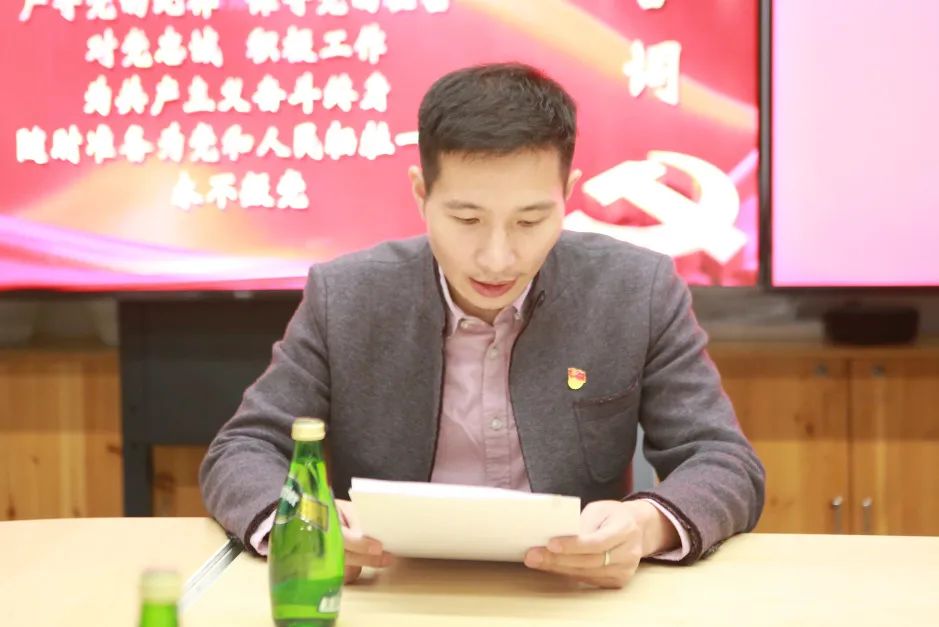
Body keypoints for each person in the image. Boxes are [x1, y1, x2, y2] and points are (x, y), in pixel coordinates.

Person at [200, 62, 765, 590]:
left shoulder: (635, 290)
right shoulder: (348, 296)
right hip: (392, 592)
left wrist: (646, 525)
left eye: (530, 220)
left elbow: (722, 460)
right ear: (422, 195)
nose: (498, 258)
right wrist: (300, 524)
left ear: (567, 196)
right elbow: (244, 448)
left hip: (567, 594)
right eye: (467, 219)